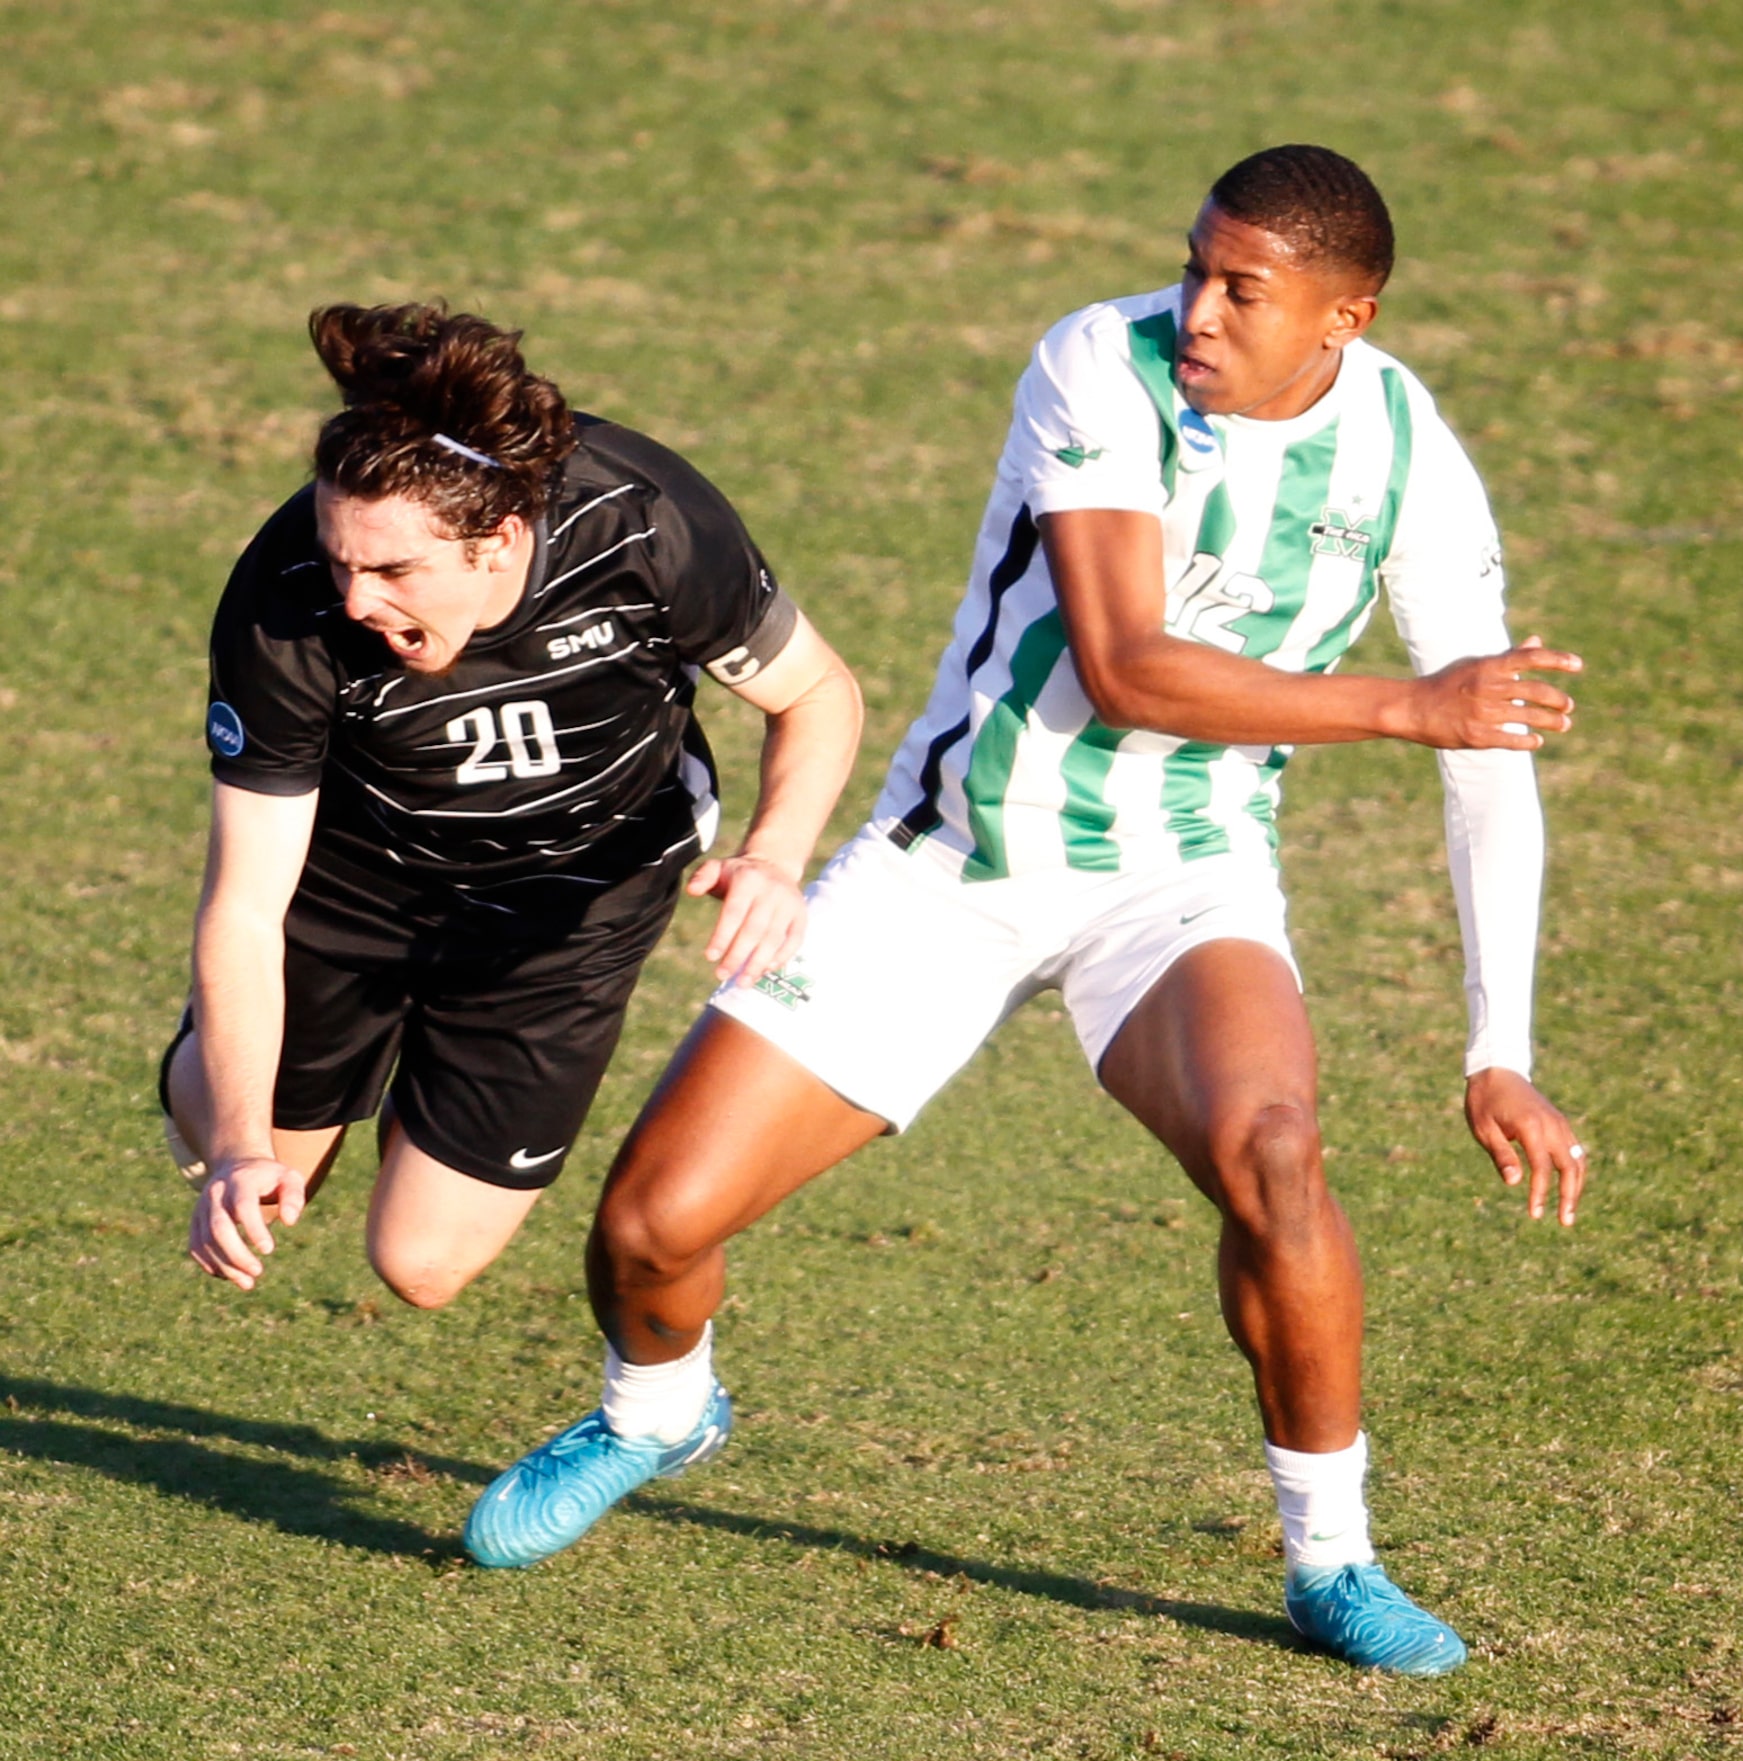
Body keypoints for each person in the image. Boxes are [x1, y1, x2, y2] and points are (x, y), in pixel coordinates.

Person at [463, 148, 1586, 1676]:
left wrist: (1496, 1043)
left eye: (1240, 289)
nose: (1196, 307)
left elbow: (1488, 749)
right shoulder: (1096, 364)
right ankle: (658, 1413)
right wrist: (1406, 703)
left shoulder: (1408, 457)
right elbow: (1124, 664)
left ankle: (1330, 1556)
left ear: (1343, 314)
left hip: (1180, 878)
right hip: (950, 864)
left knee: (1275, 1153)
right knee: (649, 1227)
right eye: (1193, 266)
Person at [161, 302, 861, 1320]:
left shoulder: (644, 525)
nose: (354, 599)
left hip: (572, 904)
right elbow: (243, 908)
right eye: (340, 556)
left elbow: (815, 693)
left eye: (395, 569)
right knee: (273, 1176)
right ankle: (236, 1076)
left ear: (497, 543)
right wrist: (231, 1149)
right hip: (355, 889)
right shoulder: (287, 599)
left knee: (423, 1266)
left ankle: (434, 1079)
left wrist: (774, 855)